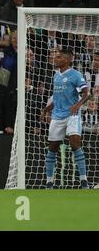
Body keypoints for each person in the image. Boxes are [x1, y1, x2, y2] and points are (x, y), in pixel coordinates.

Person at [40, 48, 91, 189]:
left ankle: (83, 180)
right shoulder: (56, 76)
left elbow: (87, 93)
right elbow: (57, 99)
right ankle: (49, 181)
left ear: (68, 60)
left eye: (59, 57)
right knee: (52, 148)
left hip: (72, 115)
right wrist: (45, 110)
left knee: (75, 143)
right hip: (57, 115)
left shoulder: (75, 75)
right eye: (55, 57)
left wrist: (77, 105)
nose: (56, 59)